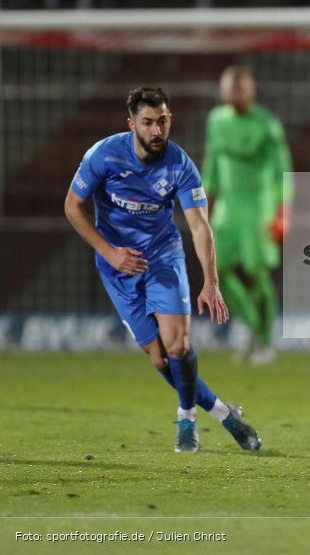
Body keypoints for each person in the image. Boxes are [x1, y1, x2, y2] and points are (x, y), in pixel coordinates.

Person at [64, 87, 262, 453]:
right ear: (132, 124)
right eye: (148, 122)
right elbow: (73, 207)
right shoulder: (103, 155)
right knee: (158, 358)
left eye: (163, 121)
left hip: (162, 257)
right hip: (117, 265)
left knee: (178, 345)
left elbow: (200, 225)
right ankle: (223, 412)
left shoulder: (180, 165)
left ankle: (187, 418)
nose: (157, 130)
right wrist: (109, 252)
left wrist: (211, 281)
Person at [203, 66, 293, 364]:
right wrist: (204, 197)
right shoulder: (216, 120)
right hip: (228, 207)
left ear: (251, 91)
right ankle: (255, 328)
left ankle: (264, 342)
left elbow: (283, 171)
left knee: (257, 273)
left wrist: (283, 211)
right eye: (229, 88)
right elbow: (213, 160)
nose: (233, 94)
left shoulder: (267, 124)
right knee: (217, 270)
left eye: (239, 88)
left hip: (259, 206)